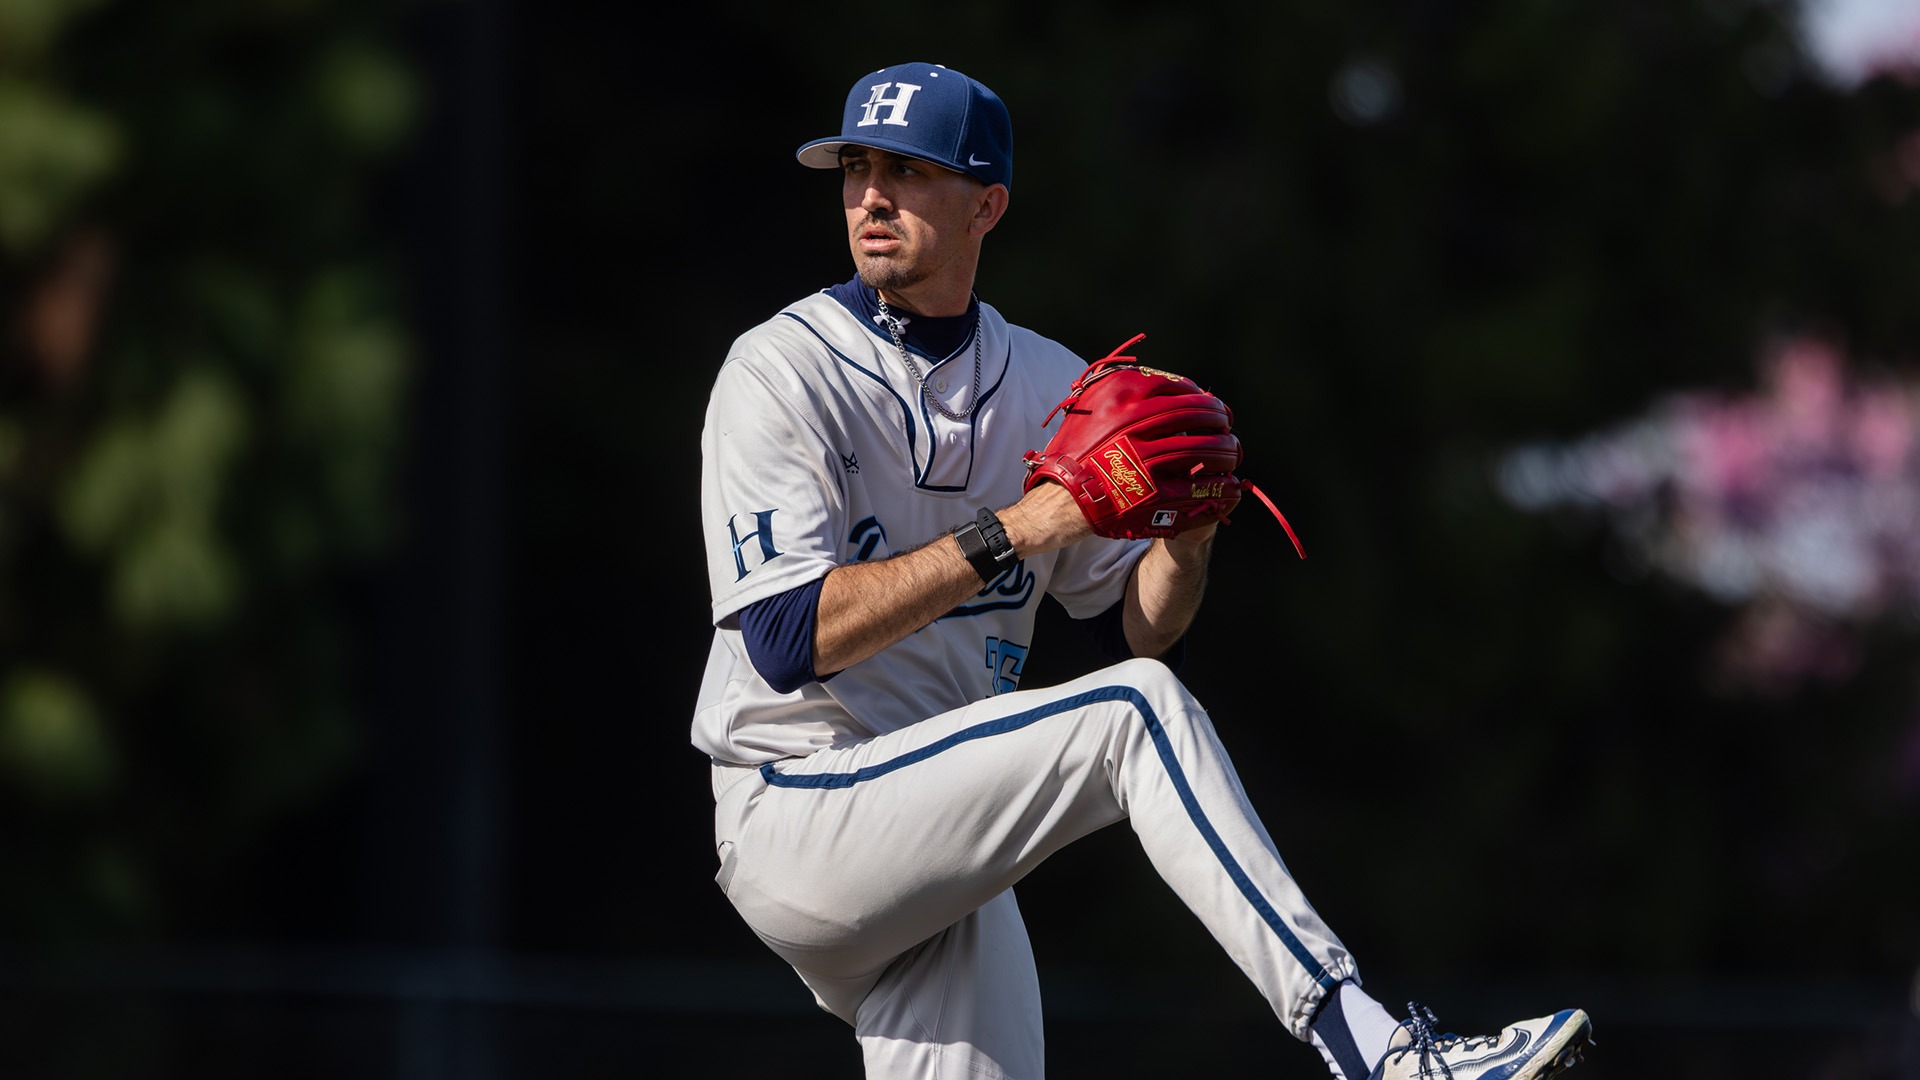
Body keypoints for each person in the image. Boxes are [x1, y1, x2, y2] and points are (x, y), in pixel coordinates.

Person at [694, 60, 1594, 1080]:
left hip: (939, 844)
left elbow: (1133, 628)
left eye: (908, 168)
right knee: (1134, 714)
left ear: (986, 202)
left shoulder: (1047, 381)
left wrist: (1186, 532)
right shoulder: (780, 369)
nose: (871, 195)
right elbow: (783, 640)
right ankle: (1373, 1049)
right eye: (856, 166)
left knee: (1137, 688)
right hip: (798, 801)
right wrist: (1020, 528)